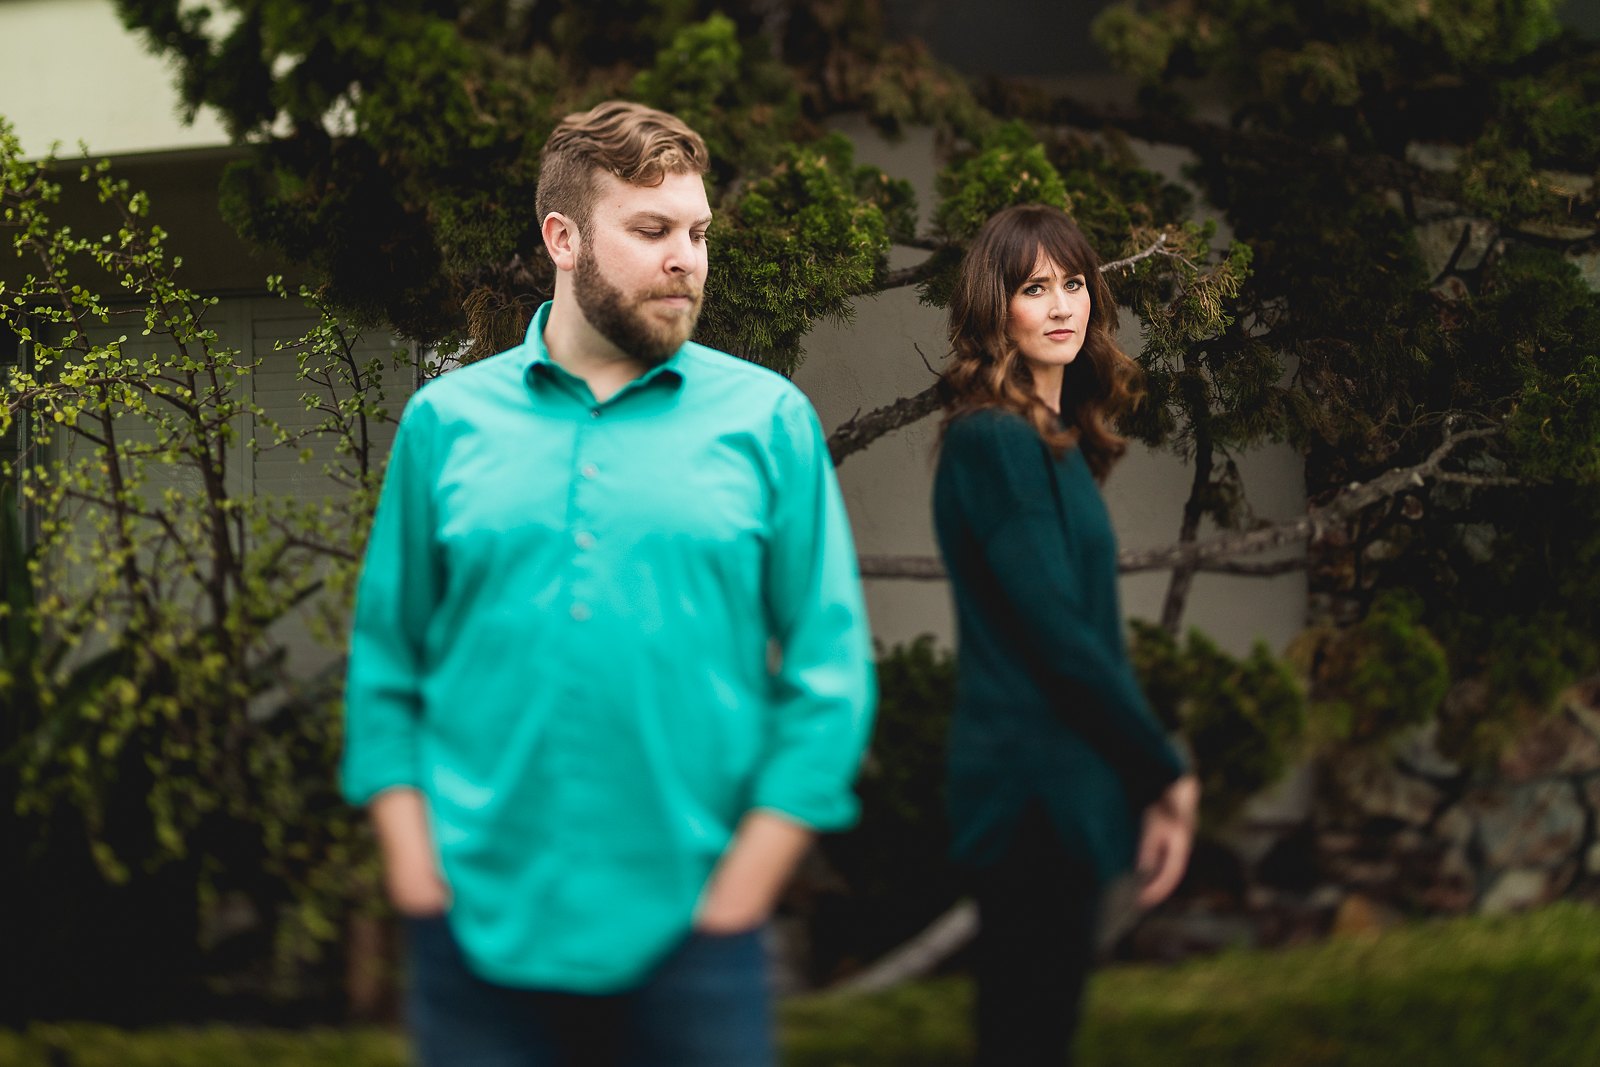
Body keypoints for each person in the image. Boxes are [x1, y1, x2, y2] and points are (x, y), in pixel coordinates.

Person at [341, 100, 876, 1067]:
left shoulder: (770, 424)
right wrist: (417, 874)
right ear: (564, 237)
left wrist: (739, 898)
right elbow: (387, 660)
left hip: (698, 946)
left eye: (699, 231)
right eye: (652, 229)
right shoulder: (444, 425)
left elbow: (829, 675)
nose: (689, 258)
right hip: (477, 942)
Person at [932, 203, 1200, 1066]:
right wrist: (1164, 770)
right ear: (994, 308)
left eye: (1075, 283)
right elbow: (1058, 633)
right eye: (1033, 287)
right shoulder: (995, 441)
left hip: (1063, 796)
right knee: (1025, 1040)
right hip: (1029, 802)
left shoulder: (1052, 441)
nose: (1062, 305)